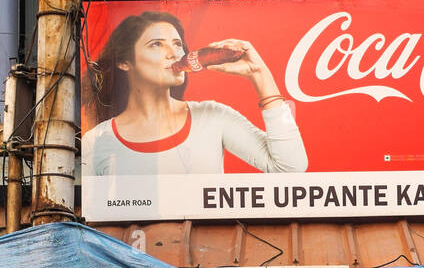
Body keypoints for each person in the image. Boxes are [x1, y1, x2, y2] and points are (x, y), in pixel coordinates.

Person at [83, 11, 308, 177]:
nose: (174, 53)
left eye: (178, 43)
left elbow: (291, 168)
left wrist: (259, 74)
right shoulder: (96, 141)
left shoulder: (212, 116)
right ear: (124, 61)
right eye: (156, 45)